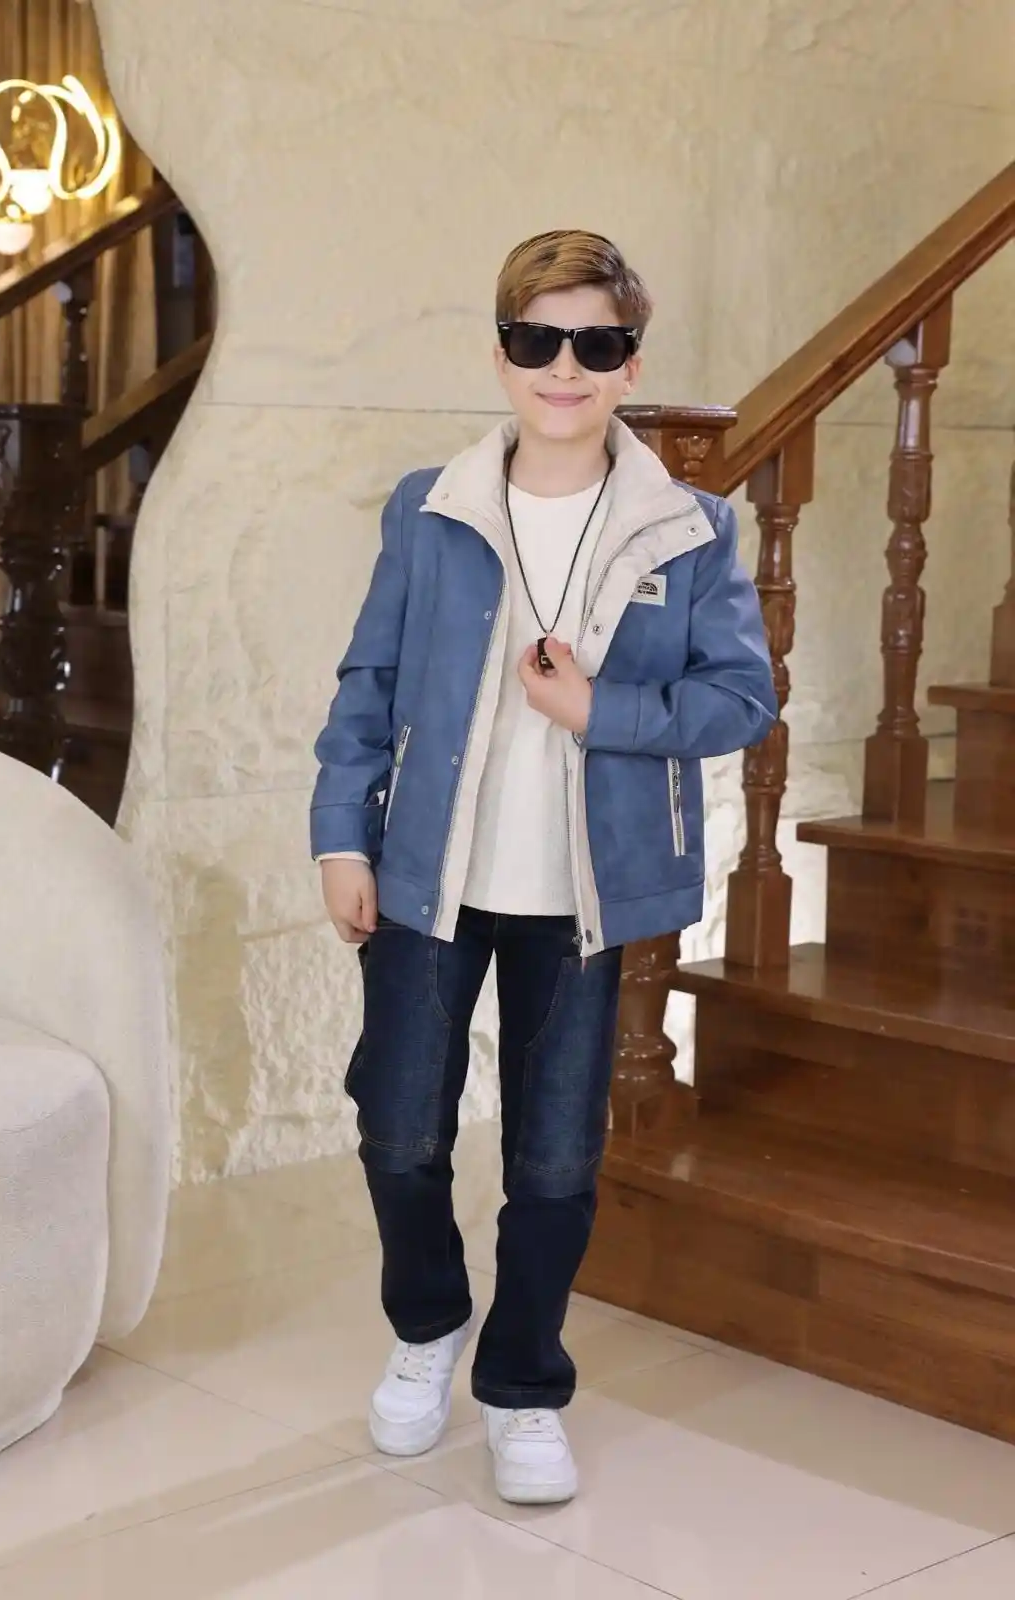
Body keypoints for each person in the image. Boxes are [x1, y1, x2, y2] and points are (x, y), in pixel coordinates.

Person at [310, 229, 775, 1505]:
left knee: (556, 1160)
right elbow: (368, 683)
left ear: (631, 364)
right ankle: (429, 1325)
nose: (565, 368)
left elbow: (743, 698)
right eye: (537, 340)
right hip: (428, 878)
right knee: (398, 1126)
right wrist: (342, 834)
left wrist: (598, 710)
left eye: (596, 343)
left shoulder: (690, 527)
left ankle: (522, 1385)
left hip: (581, 895)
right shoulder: (430, 506)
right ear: (502, 353)